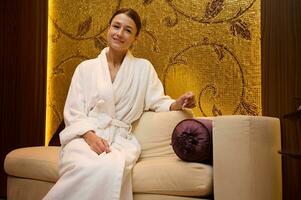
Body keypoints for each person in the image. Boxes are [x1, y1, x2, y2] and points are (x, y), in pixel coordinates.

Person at [43, 8, 195, 200]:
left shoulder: (143, 69)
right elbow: (74, 112)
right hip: (84, 138)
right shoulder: (86, 68)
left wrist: (178, 103)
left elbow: (158, 101)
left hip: (121, 141)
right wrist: (90, 137)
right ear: (108, 29)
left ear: (135, 38)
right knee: (83, 165)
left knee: (109, 166)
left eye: (128, 30)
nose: (120, 33)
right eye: (116, 26)